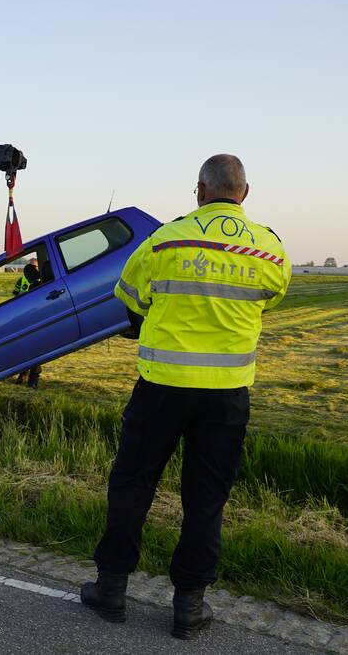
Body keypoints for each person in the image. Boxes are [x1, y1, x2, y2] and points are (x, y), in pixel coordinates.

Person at [80, 155, 290, 639]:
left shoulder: (166, 240)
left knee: (133, 484)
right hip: (226, 396)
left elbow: (130, 296)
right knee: (206, 499)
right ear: (245, 192)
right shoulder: (270, 250)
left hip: (161, 389)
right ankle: (189, 609)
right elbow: (273, 296)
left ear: (199, 190)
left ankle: (111, 591)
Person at [13, 258, 44, 387]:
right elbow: (15, 295)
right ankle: (23, 374)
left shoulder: (42, 283)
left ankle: (34, 377)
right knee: (25, 347)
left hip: (35, 318)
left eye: (35, 268)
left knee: (34, 347)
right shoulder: (23, 281)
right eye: (31, 268)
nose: (32, 271)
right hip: (24, 317)